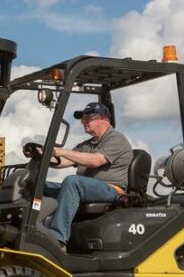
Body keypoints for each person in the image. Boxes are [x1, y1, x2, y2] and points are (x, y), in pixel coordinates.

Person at [43, 102, 133, 244]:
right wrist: (43, 155)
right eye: (82, 118)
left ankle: (57, 238)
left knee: (72, 182)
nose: (84, 121)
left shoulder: (116, 139)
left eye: (89, 117)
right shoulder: (87, 144)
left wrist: (63, 151)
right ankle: (37, 229)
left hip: (111, 190)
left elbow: (96, 160)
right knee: (41, 186)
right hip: (87, 189)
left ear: (104, 120)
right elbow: (64, 161)